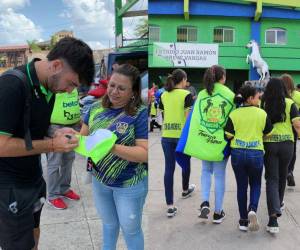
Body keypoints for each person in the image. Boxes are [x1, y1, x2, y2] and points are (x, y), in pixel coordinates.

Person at [0, 37, 95, 250]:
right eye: (71, 83)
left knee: (34, 232)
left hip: (33, 179)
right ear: (56, 65)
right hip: (10, 188)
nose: (71, 91)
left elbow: (32, 133)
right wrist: (52, 146)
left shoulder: (49, 89)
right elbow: (1, 145)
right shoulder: (11, 85)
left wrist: (56, 134)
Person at [80, 64, 148, 250]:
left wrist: (110, 147)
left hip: (129, 184)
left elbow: (144, 153)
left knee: (131, 230)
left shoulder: (139, 114)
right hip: (100, 180)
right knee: (109, 225)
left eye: (121, 88)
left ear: (133, 92)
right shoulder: (94, 108)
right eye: (112, 85)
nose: (114, 92)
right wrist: (71, 139)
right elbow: (84, 139)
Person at [225, 85, 273, 232]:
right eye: (258, 97)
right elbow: (269, 133)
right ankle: (252, 208)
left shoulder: (234, 114)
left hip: (238, 153)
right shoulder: (262, 113)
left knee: (241, 186)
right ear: (250, 98)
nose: (259, 99)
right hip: (256, 153)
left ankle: (243, 220)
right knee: (256, 184)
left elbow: (228, 135)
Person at [192, 65, 234, 224]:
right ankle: (218, 212)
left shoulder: (202, 95)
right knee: (220, 175)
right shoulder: (229, 95)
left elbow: (195, 120)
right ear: (222, 77)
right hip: (221, 143)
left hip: (204, 140)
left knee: (205, 171)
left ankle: (204, 201)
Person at [261, 78, 300, 234]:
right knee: (282, 176)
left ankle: (273, 219)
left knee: (272, 178)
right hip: (287, 146)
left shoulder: (264, 103)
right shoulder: (290, 104)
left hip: (269, 145)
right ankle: (279, 202)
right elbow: (297, 125)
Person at [159, 69, 195, 218]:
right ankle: (185, 190)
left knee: (169, 168)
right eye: (186, 80)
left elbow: (163, 116)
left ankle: (170, 205)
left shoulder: (163, 95)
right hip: (181, 137)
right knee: (185, 164)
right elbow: (188, 119)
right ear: (184, 80)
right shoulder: (187, 95)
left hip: (166, 135)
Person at [46, 89, 81, 209]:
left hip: (73, 125)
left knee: (69, 159)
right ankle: (53, 195)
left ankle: (64, 189)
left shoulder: (75, 82)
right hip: (55, 126)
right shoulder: (54, 82)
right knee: (54, 162)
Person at [281, 74, 300, 187]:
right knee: (292, 151)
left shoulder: (279, 94)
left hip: (280, 125)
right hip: (294, 124)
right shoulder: (297, 95)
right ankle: (289, 171)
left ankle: (281, 171)